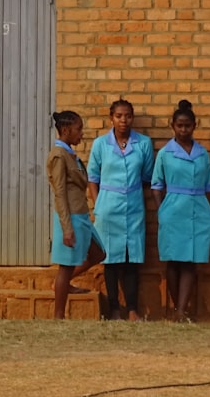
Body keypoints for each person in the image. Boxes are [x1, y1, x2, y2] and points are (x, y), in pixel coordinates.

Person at [87, 98, 155, 321]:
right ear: (111, 118)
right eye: (118, 116)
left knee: (131, 259)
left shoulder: (143, 144)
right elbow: (93, 177)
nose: (123, 120)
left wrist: (133, 194)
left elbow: (147, 176)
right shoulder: (100, 145)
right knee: (110, 260)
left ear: (132, 117)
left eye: (127, 116)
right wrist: (98, 204)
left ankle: (133, 309)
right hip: (107, 207)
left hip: (133, 206)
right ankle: (114, 309)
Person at [151, 99, 210, 322]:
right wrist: (162, 212)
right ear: (172, 126)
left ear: (195, 125)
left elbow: (207, 186)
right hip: (173, 210)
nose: (184, 129)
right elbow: (157, 185)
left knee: (191, 260)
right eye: (180, 125)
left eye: (188, 125)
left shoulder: (202, 154)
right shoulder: (165, 154)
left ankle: (181, 311)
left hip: (198, 210)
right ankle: (177, 307)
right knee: (173, 260)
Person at [48, 110, 106, 319]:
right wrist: (66, 228)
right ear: (65, 130)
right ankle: (59, 315)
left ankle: (63, 285)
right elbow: (60, 194)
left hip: (81, 216)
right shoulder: (58, 155)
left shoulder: (69, 153)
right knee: (66, 266)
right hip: (70, 217)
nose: (81, 133)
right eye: (78, 129)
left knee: (99, 253)